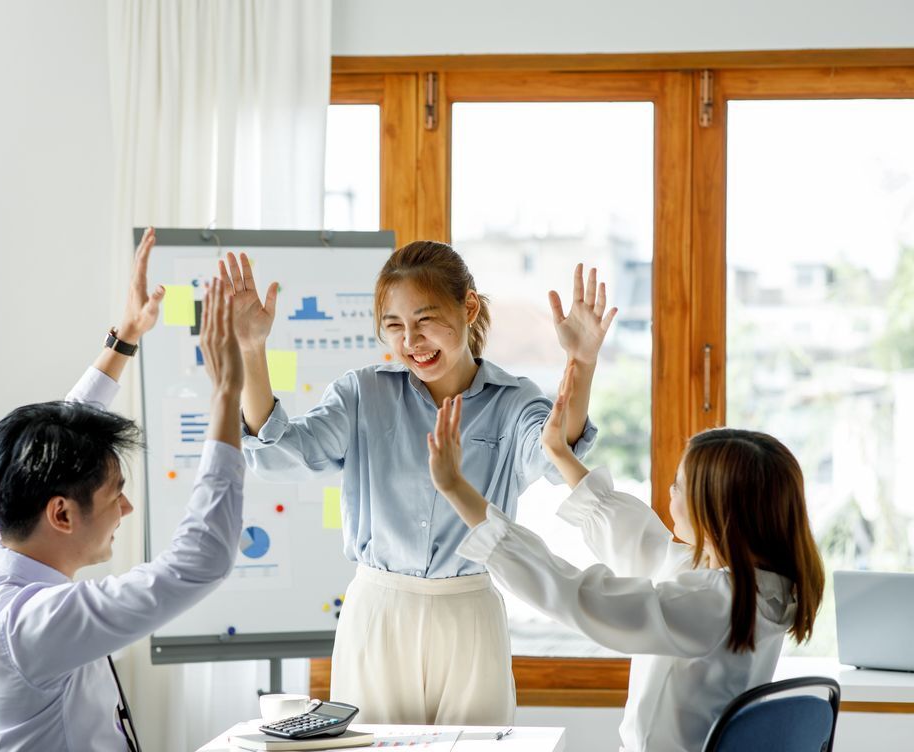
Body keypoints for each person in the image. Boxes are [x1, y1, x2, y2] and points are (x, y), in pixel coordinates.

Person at [218, 240, 616, 724]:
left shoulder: (514, 401)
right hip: (379, 612)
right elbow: (280, 454)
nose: (411, 341)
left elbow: (558, 454)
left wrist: (583, 362)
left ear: (468, 306)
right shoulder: (362, 393)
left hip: (468, 609)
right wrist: (252, 349)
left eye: (425, 320)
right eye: (394, 326)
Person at [0, 229, 245, 752]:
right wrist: (226, 396)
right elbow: (198, 564)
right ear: (61, 514)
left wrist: (124, 338)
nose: (127, 507)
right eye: (114, 495)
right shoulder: (35, 625)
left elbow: (52, 442)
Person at [426, 363, 825, 752]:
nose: (670, 493)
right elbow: (643, 544)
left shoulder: (716, 602)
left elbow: (579, 596)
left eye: (678, 485)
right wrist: (560, 454)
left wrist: (456, 489)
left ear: (719, 512)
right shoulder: (760, 588)